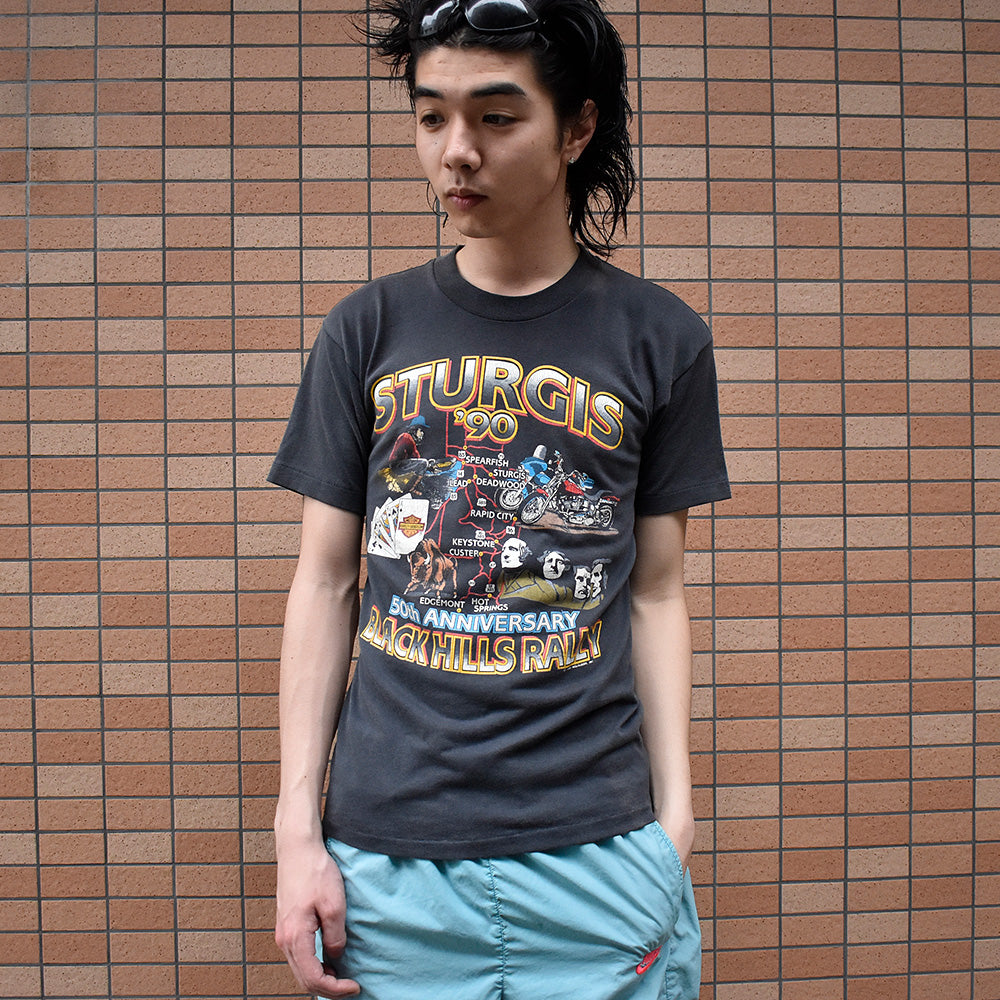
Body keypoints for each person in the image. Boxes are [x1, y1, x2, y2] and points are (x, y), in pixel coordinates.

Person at [268, 0, 730, 997]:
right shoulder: (366, 329)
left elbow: (656, 592)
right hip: (389, 865)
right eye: (431, 116)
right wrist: (295, 832)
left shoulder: (661, 338)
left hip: (600, 855)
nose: (456, 152)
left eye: (496, 116)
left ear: (577, 128)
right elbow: (325, 582)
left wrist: (676, 818)